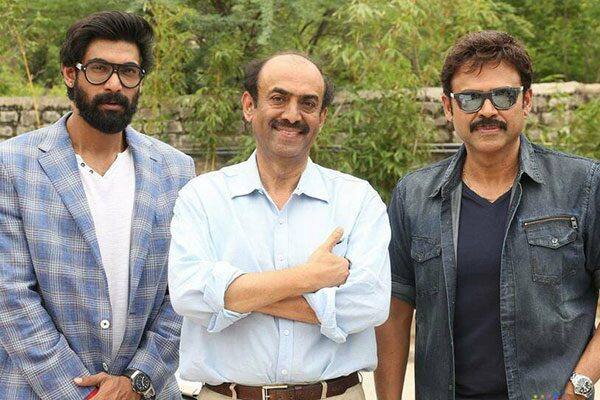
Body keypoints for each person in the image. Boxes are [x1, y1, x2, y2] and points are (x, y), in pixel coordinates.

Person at [375, 30, 600, 400]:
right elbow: (394, 312)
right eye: (470, 98)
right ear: (448, 107)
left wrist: (578, 389)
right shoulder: (413, 196)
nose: (488, 111)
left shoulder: (583, 185)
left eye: (503, 95)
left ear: (526, 101)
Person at [168, 52, 391, 400]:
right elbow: (189, 295)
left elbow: (368, 305)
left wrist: (236, 294)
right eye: (278, 98)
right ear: (249, 106)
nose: (292, 114)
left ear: (322, 117)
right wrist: (309, 278)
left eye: (308, 103)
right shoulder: (203, 197)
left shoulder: (357, 200)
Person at [0, 11, 195, 400]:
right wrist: (84, 395)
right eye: (99, 69)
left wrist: (137, 382)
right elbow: (10, 295)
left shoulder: (175, 170)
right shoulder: (14, 165)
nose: (114, 84)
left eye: (129, 72)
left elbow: (184, 292)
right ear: (70, 75)